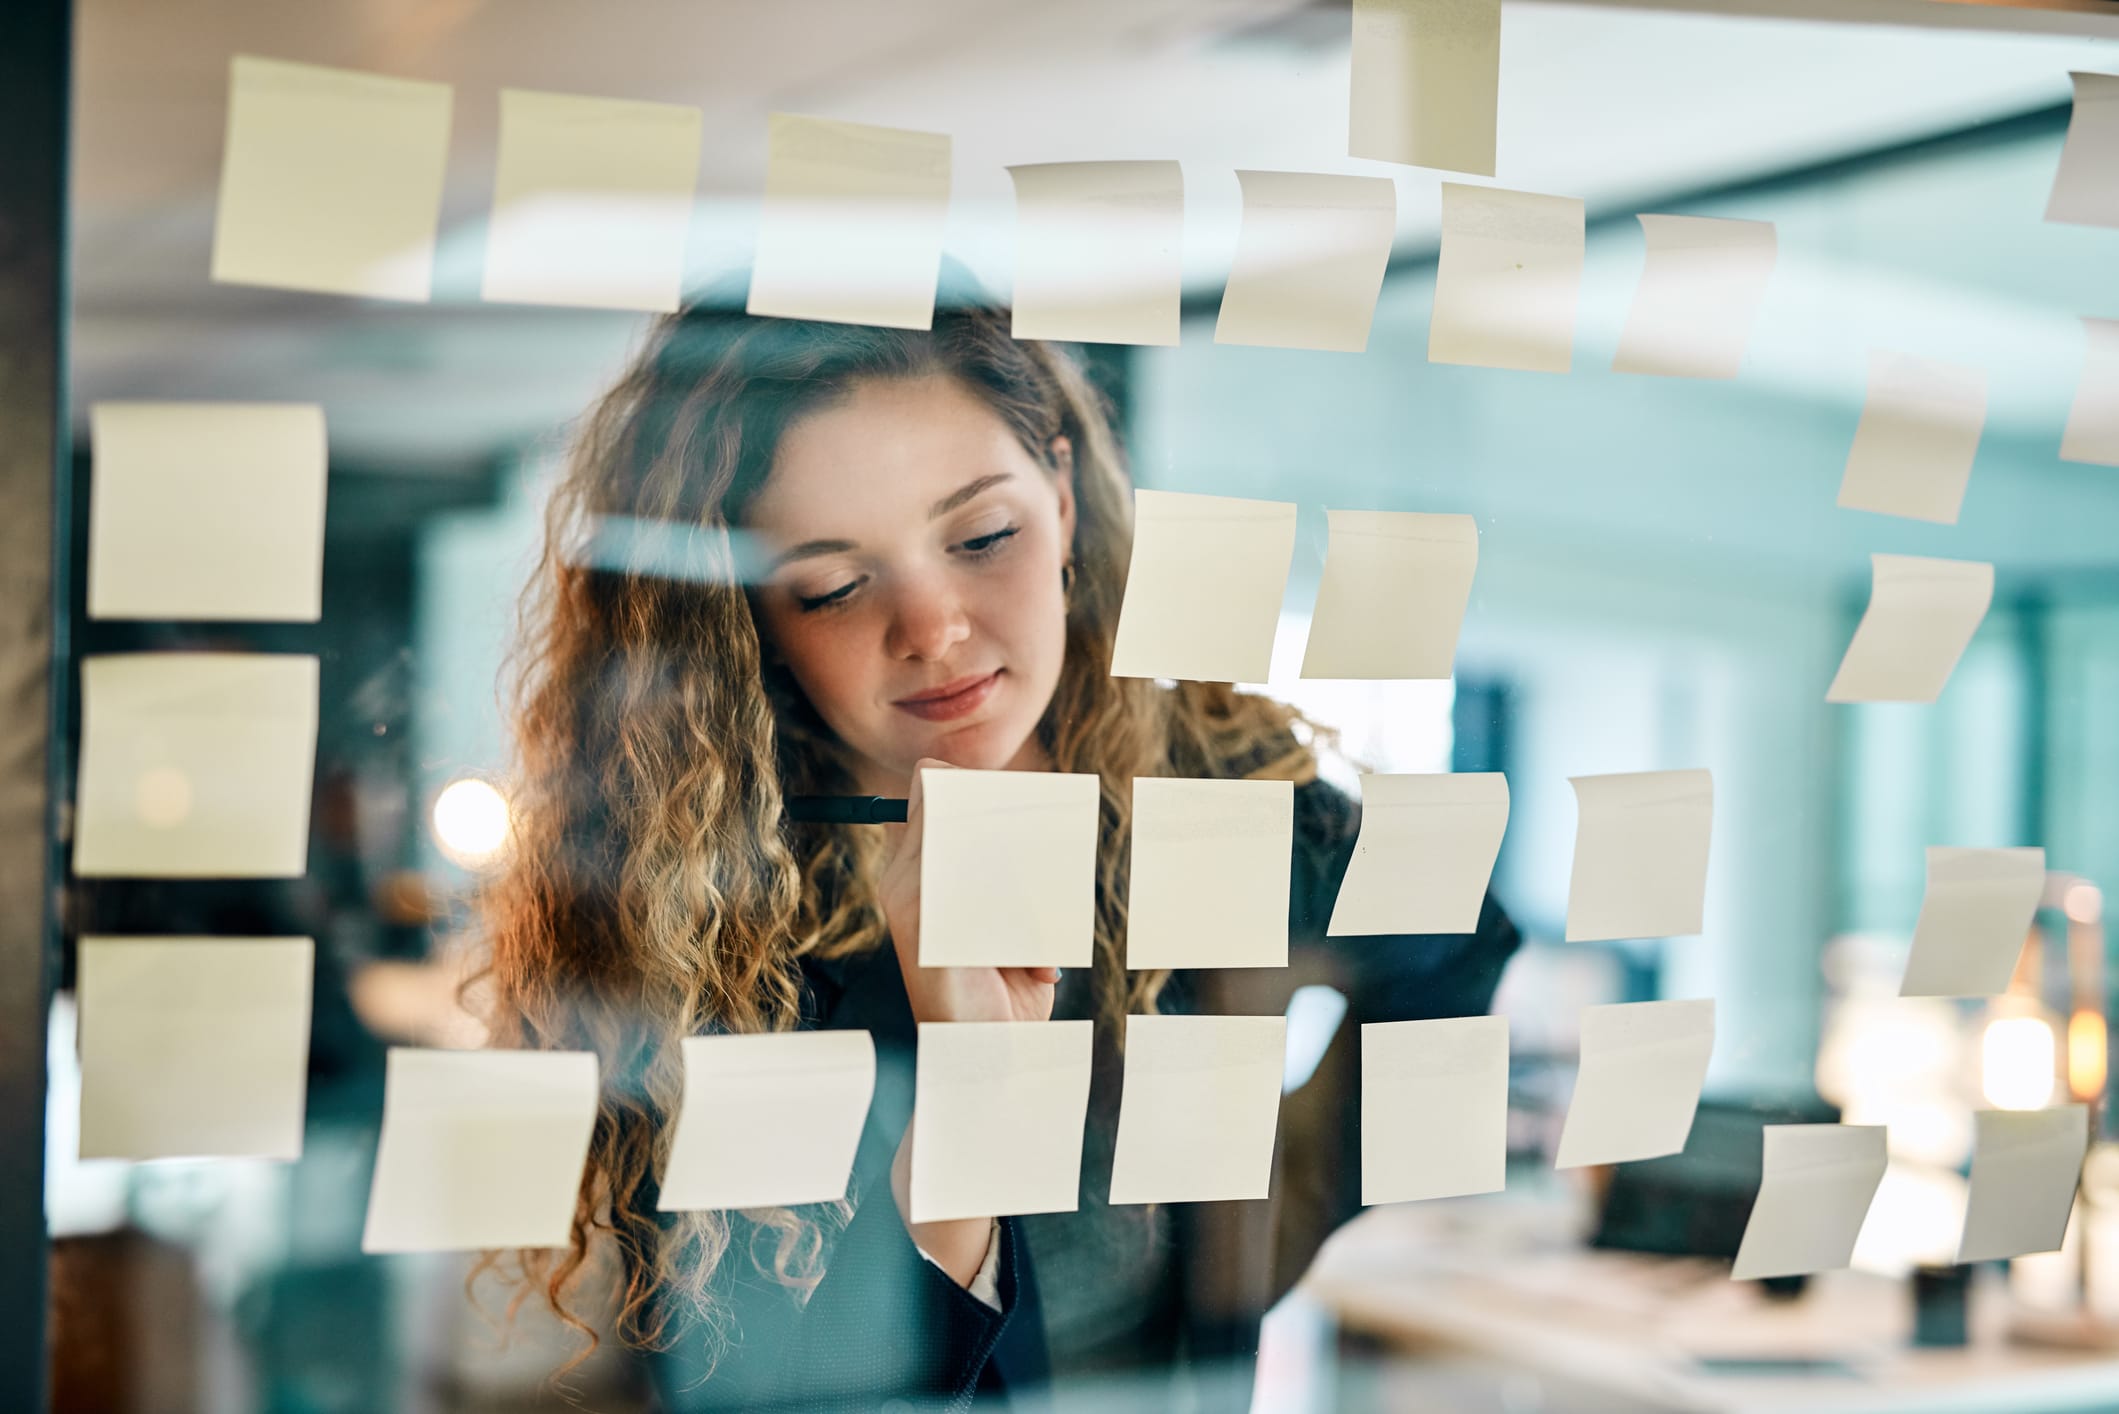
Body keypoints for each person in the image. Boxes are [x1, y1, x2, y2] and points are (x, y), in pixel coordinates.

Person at [478, 298, 1519, 1412]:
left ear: (1063, 500)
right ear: (751, 619)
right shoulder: (709, 914)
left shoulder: (1199, 785)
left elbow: (1454, 947)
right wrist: (969, 1118)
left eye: (981, 537)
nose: (931, 627)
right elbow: (782, 1378)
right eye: (830, 584)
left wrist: (1272, 1215)